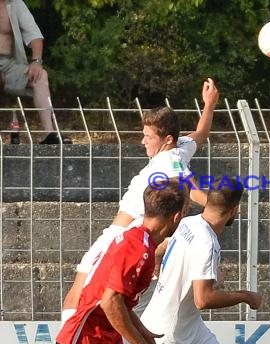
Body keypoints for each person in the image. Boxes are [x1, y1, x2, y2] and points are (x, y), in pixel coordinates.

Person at [61, 78, 219, 323]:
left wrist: (222, 206)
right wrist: (209, 104)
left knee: (81, 290)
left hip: (121, 235)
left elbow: (195, 193)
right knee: (98, 295)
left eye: (148, 136)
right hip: (129, 235)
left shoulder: (170, 162)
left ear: (167, 139)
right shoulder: (179, 148)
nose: (143, 141)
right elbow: (200, 134)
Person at [53, 178, 188, 344]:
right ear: (177, 217)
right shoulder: (137, 248)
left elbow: (120, 301)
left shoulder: (142, 241)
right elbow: (110, 301)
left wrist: (143, 333)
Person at [139, 178, 262, 344]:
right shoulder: (207, 242)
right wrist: (246, 296)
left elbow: (159, 251)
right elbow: (203, 299)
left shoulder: (187, 223)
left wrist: (165, 279)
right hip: (168, 334)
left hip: (191, 327)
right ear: (235, 209)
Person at [0, 0, 70, 144]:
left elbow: (34, 34)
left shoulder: (16, 4)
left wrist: (37, 61)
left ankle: (49, 134)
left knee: (41, 75)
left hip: (10, 66)